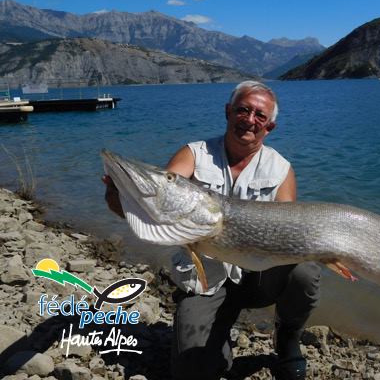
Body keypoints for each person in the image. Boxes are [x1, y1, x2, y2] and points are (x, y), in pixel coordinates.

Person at [103, 81, 321, 380]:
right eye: (243, 109)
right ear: (228, 112)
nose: (250, 119)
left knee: (305, 270)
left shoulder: (282, 169)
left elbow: (287, 235)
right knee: (193, 371)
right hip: (205, 275)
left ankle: (287, 337)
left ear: (270, 127)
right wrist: (118, 196)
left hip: (258, 277)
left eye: (260, 115)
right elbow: (158, 207)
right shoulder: (193, 154)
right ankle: (218, 337)